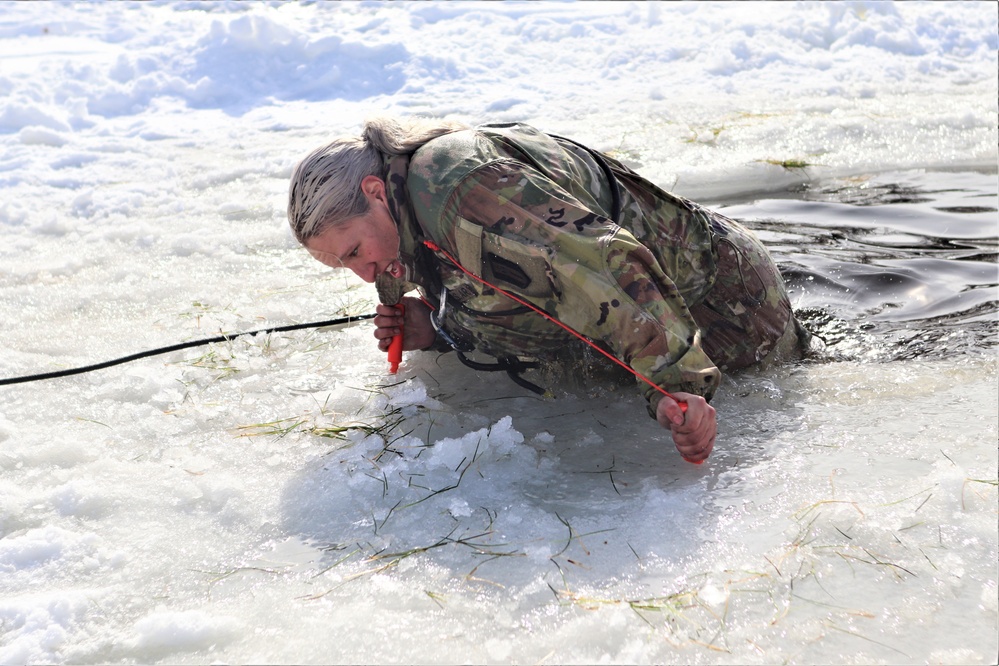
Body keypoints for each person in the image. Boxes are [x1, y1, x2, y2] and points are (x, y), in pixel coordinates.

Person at [287, 117, 808, 463]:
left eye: (354, 251)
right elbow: (510, 289)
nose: (362, 274)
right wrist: (439, 326)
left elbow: (602, 265)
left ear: (375, 193)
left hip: (725, 308)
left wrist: (677, 383)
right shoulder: (401, 228)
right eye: (340, 264)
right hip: (637, 329)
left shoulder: (459, 185)